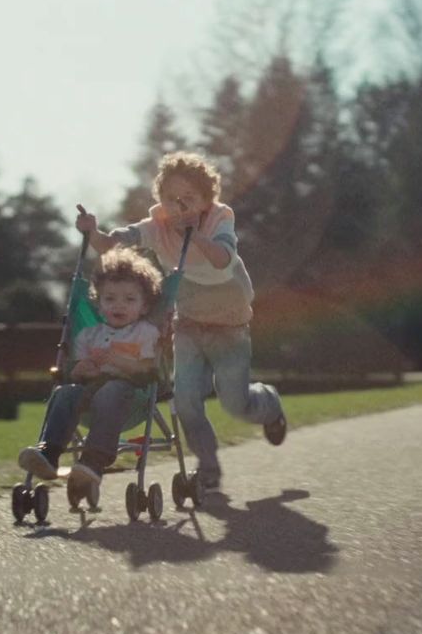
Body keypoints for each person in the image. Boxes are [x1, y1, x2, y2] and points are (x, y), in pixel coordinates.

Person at [75, 151, 287, 494]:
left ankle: (269, 405)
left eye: (190, 198)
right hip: (188, 324)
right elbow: (113, 244)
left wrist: (195, 235)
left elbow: (221, 260)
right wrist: (92, 232)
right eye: (173, 198)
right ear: (161, 200)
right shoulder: (156, 226)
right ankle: (208, 468)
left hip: (230, 324)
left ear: (206, 200)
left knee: (235, 403)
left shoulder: (220, 218)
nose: (181, 205)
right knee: (186, 401)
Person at [17, 249, 164, 503]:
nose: (119, 305)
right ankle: (49, 453)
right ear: (99, 302)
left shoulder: (145, 332)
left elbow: (146, 370)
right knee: (64, 392)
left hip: (131, 396)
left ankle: (94, 460)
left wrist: (116, 359)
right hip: (88, 395)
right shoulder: (89, 335)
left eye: (129, 299)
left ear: (144, 306)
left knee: (112, 390)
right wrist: (81, 368)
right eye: (110, 299)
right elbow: (75, 371)